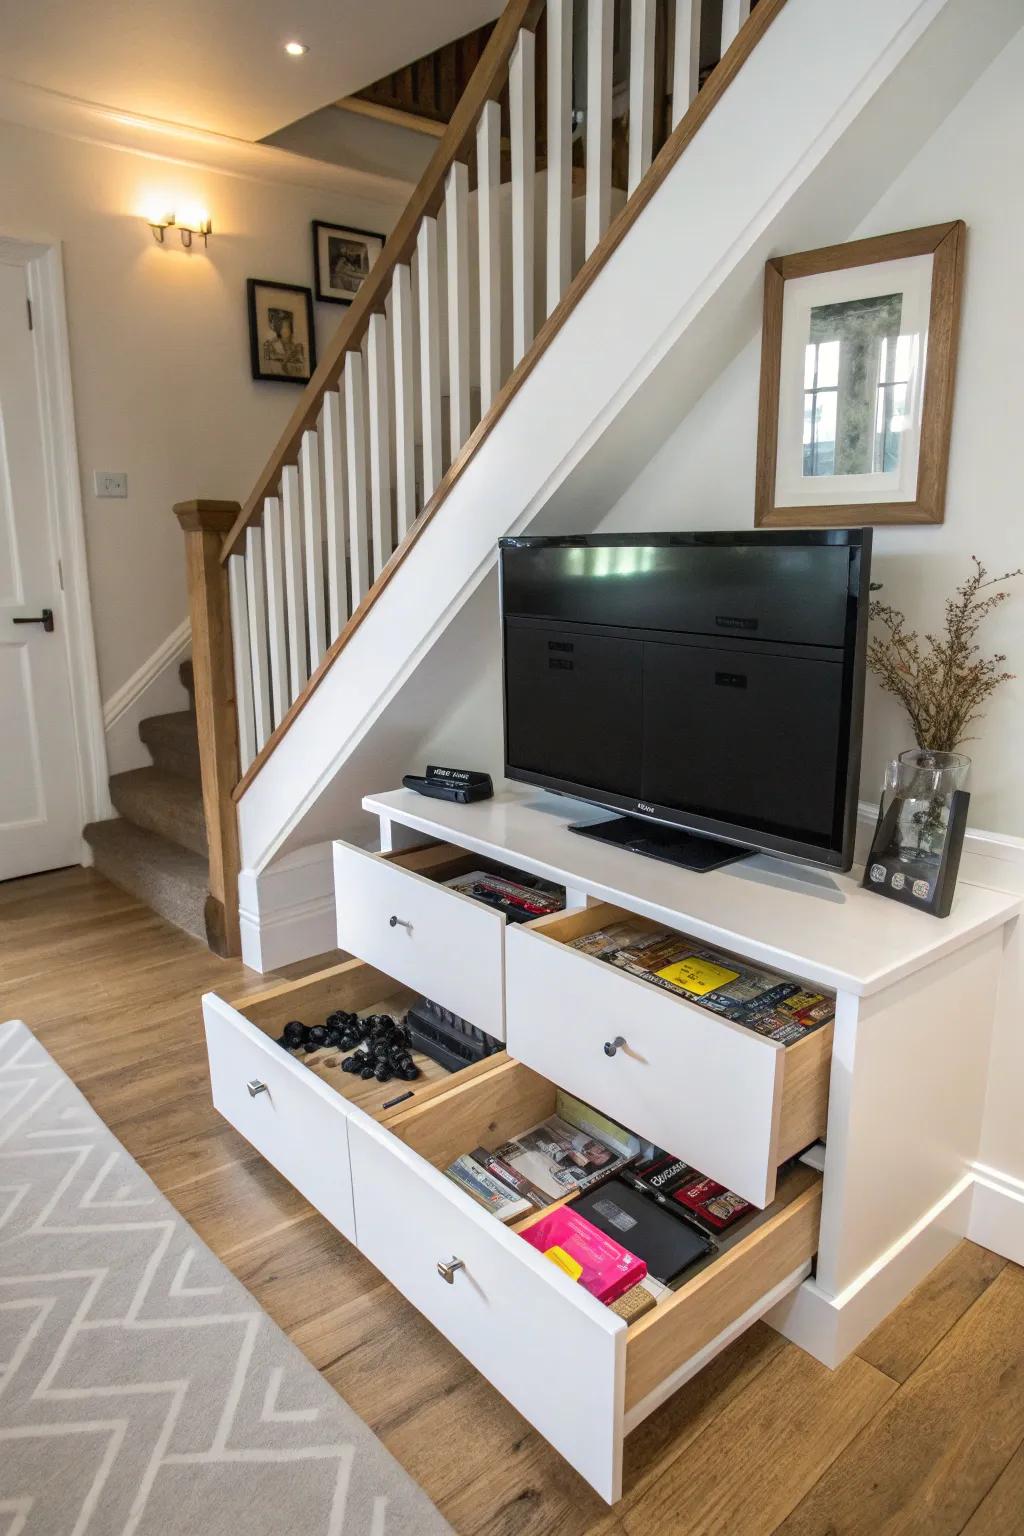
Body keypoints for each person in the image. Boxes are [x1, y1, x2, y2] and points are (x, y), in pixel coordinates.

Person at [263, 307, 306, 378]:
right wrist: (287, 356)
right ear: (278, 329)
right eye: (285, 328)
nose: (288, 331)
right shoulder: (270, 345)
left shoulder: (296, 347)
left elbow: (302, 367)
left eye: (289, 327)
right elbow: (271, 358)